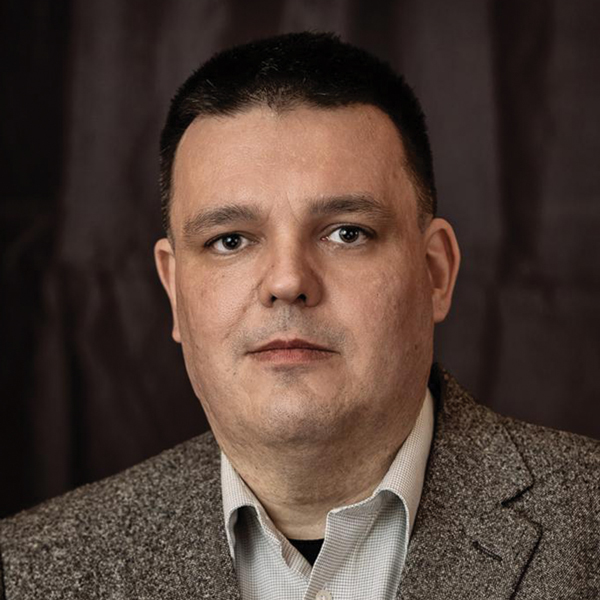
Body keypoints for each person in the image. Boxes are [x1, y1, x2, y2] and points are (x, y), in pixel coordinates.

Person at [0, 32, 598, 600]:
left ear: (435, 272)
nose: (288, 282)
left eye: (347, 232)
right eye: (230, 240)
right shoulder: (29, 571)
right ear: (175, 290)